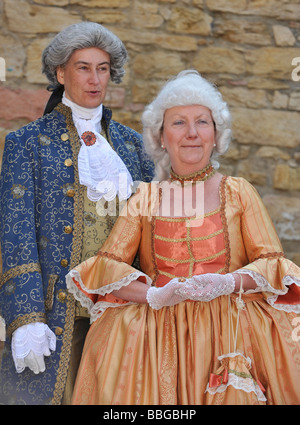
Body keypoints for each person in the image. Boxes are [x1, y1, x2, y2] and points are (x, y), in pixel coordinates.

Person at [66, 70, 300, 405]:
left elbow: (273, 265)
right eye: (178, 123)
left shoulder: (238, 192)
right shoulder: (145, 198)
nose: (191, 133)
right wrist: (154, 295)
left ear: (216, 136)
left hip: (230, 332)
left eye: (202, 122)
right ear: (161, 137)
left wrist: (230, 282)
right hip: (161, 340)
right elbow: (107, 271)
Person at [0, 21, 154, 405]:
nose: (94, 78)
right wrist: (26, 317)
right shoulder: (26, 142)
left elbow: (154, 230)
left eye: (102, 68)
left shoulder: (134, 146)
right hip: (55, 314)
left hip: (122, 313)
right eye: (83, 67)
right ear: (60, 73)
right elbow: (15, 233)